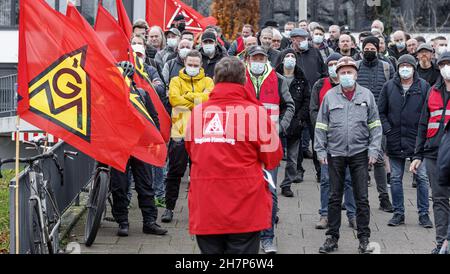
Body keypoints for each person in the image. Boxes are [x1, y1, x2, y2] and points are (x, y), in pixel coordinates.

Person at [185, 57, 283, 254]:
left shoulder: (197, 112)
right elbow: (273, 156)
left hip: (206, 202)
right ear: (244, 81)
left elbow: (191, 149)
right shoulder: (255, 112)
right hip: (245, 203)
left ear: (214, 79)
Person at [315, 57, 383, 254]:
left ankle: (363, 238)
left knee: (362, 198)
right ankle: (332, 238)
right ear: (337, 75)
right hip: (334, 153)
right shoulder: (330, 96)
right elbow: (321, 125)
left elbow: (375, 125)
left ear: (356, 74)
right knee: (334, 197)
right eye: (342, 72)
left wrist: (373, 149)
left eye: (349, 72)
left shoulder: (366, 95)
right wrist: (320, 150)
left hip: (360, 153)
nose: (346, 76)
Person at [245, 45, 295, 254]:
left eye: (261, 58)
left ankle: (267, 237)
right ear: (248, 60)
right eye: (255, 58)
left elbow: (289, 106)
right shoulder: (239, 79)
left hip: (269, 145)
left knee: (270, 192)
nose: (258, 62)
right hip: (244, 147)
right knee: (246, 192)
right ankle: (247, 235)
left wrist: (280, 127)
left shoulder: (278, 80)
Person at [112, 61, 168, 237]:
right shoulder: (110, 96)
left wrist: (156, 142)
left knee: (145, 185)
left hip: (140, 146)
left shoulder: (142, 94)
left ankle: (150, 221)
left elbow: (154, 119)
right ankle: (122, 221)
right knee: (119, 186)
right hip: (118, 147)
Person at [378, 54, 433, 228]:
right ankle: (398, 213)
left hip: (418, 141)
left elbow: (430, 112)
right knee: (395, 178)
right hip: (395, 139)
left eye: (408, 66)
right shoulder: (389, 87)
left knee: (422, 178)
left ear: (413, 68)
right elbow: (381, 112)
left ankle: (424, 214)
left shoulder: (424, 87)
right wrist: (387, 129)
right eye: (402, 65)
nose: (405, 69)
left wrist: (424, 135)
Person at [161, 50, 215, 224]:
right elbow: (174, 100)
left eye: (195, 65)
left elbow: (210, 99)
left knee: (201, 174)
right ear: (184, 63)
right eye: (189, 64)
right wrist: (198, 99)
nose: (192, 67)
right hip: (180, 132)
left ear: (200, 65)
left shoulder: (208, 81)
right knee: (175, 172)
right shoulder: (175, 80)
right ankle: (169, 208)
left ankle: (200, 209)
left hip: (202, 133)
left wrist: (189, 97)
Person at [310, 53, 357, 230]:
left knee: (349, 180)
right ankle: (325, 214)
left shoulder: (356, 90)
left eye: (336, 64)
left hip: (351, 144)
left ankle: (352, 215)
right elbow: (314, 110)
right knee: (326, 180)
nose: (334, 68)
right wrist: (322, 129)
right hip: (329, 141)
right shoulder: (320, 85)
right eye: (331, 64)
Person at [410, 52, 450, 254]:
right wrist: (418, 155)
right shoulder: (433, 90)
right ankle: (441, 243)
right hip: (434, 153)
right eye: (442, 64)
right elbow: (423, 124)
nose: (445, 68)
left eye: (448, 64)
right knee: (440, 200)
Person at [356, 36, 394, 213]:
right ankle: (358, 198)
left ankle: (383, 198)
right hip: (357, 120)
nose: (369, 51)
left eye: (373, 48)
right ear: (362, 49)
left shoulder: (387, 67)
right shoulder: (355, 67)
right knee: (358, 160)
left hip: (378, 119)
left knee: (378, 159)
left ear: (378, 49)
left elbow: (393, 91)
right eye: (367, 48)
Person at [290, 28, 327, 183]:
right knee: (297, 137)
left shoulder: (314, 53)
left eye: (305, 38)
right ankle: (298, 170)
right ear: (292, 40)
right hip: (297, 102)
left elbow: (323, 73)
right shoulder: (288, 55)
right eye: (299, 38)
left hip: (314, 102)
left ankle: (320, 171)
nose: (303, 41)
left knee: (316, 137)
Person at [276, 48, 310, 198]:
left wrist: (300, 119)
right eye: (287, 56)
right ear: (282, 59)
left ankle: (286, 184)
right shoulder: (275, 77)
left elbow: (306, 100)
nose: (290, 58)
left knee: (292, 158)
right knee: (273, 156)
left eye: (292, 56)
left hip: (295, 124)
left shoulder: (301, 79)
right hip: (277, 122)